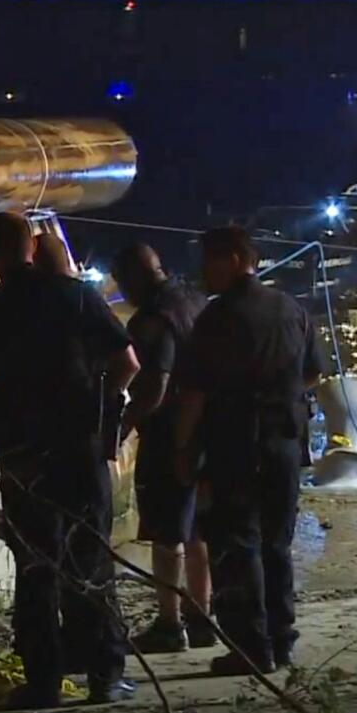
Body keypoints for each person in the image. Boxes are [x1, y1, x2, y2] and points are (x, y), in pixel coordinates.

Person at [0, 212, 140, 709]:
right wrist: (97, 416)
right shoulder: (75, 297)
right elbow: (128, 365)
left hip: (25, 466)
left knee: (35, 571)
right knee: (91, 564)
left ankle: (43, 682)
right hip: (79, 455)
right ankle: (105, 677)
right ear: (31, 246)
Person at [173, 226, 326, 677]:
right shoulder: (290, 308)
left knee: (237, 546)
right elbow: (314, 373)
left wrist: (183, 448)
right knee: (277, 544)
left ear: (237, 258)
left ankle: (249, 647)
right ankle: (282, 641)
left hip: (235, 446)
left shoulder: (217, 319)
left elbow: (195, 394)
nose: (206, 271)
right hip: (284, 445)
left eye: (212, 260)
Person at [110, 243, 214, 653]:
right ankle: (202, 618)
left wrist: (121, 428)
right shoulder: (194, 302)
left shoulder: (154, 320)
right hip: (205, 432)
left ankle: (170, 624)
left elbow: (155, 386)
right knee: (197, 530)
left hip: (169, 435)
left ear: (131, 278)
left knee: (167, 533)